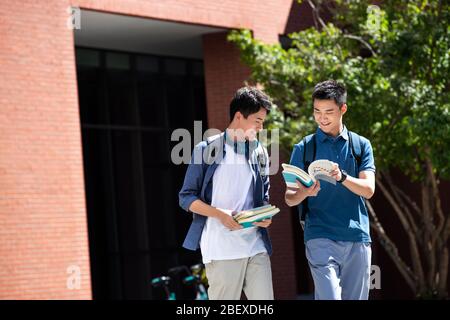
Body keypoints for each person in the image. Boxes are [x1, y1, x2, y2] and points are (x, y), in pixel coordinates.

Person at [179, 86, 274, 300]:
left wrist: (263, 215)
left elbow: (263, 195)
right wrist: (221, 215)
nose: (261, 127)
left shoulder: (260, 152)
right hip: (221, 250)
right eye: (257, 121)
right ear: (239, 116)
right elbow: (186, 198)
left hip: (255, 246)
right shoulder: (206, 149)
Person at [285, 80, 376, 300]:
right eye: (317, 111)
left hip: (356, 236)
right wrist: (305, 192)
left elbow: (368, 189)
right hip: (319, 235)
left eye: (328, 112)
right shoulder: (303, 148)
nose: (322, 118)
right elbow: (289, 198)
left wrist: (342, 177)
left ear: (342, 109)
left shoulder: (360, 145)